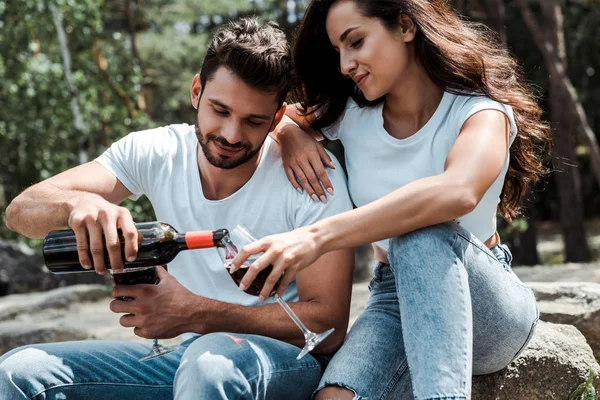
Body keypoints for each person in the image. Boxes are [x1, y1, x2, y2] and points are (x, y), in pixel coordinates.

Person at [1, 18, 354, 400]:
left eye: (253, 121)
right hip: (185, 358)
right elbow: (21, 212)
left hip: (284, 360)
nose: (231, 135)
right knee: (21, 371)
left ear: (277, 118)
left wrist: (198, 313)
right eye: (220, 110)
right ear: (196, 91)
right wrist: (79, 202)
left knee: (209, 364)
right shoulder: (155, 152)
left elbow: (328, 325)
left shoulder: (310, 178)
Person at [229, 1, 552, 399]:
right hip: (392, 297)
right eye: (338, 52)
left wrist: (315, 237)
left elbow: (457, 191)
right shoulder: (349, 112)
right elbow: (276, 116)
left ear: (404, 26)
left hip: (486, 303)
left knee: (420, 237)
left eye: (356, 42)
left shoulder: (480, 112)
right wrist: (291, 135)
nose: (346, 64)